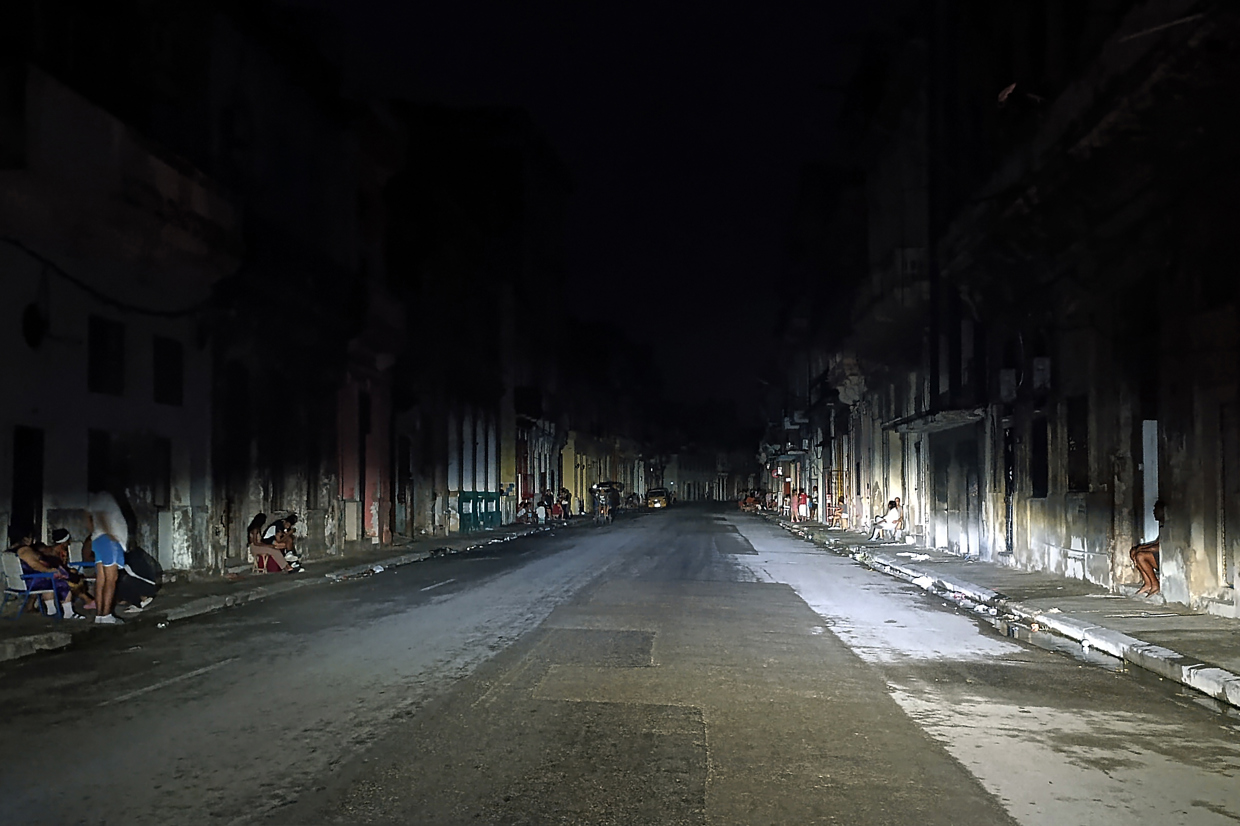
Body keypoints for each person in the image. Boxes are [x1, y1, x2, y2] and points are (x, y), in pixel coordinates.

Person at [6, 525, 86, 619]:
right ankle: (69, 613)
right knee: (61, 582)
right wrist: (49, 570)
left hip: (21, 581)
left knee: (49, 580)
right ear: (25, 538)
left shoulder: (10, 550)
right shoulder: (24, 550)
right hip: (29, 582)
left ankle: (51, 610)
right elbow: (35, 565)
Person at [87, 491, 129, 624]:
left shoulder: (94, 498)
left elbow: (86, 515)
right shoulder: (106, 496)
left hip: (98, 540)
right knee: (111, 579)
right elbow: (100, 514)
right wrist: (109, 533)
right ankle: (106, 615)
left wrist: (95, 532)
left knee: (101, 579)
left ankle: (99, 615)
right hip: (110, 541)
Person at [1130, 500, 1165, 596]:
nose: (1154, 512)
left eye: (1156, 510)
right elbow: (1156, 543)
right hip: (1159, 556)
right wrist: (1139, 548)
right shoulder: (1162, 525)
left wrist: (1142, 550)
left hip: (1165, 559)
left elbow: (1160, 547)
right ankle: (1148, 583)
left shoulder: (1169, 525)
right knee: (1134, 552)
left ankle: (1155, 584)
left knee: (1140, 556)